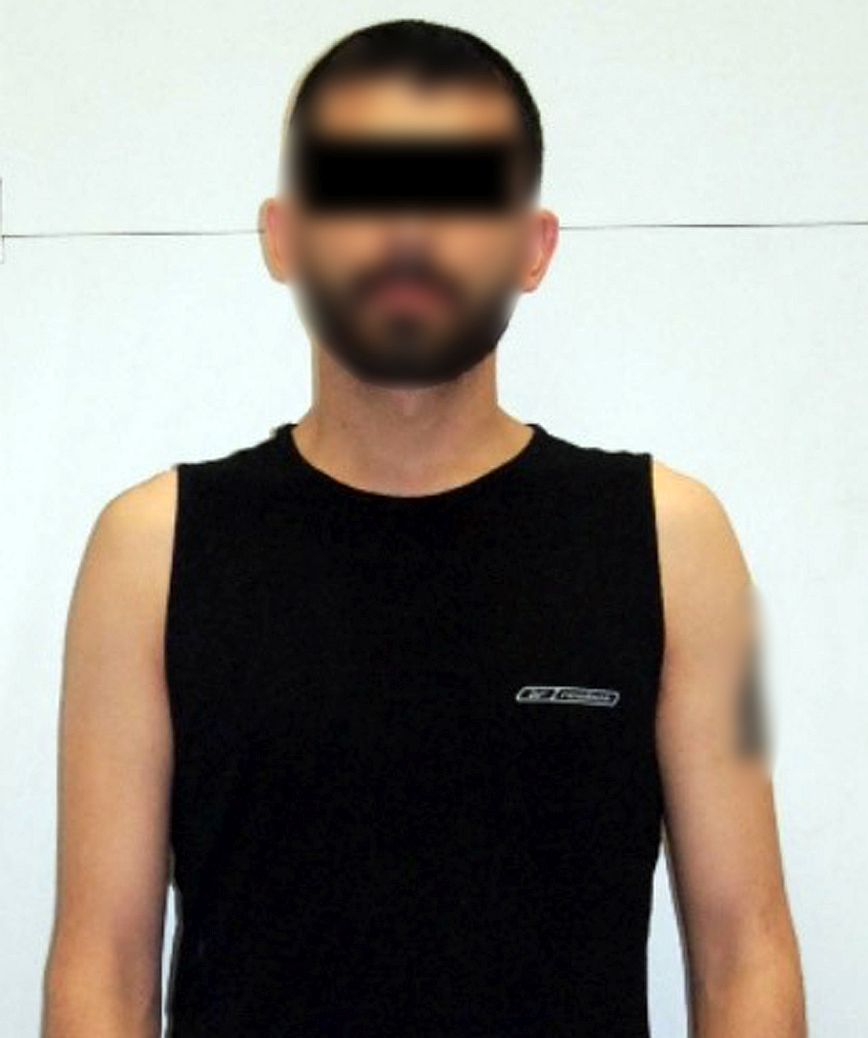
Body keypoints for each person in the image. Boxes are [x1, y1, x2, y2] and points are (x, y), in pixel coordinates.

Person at [43, 18, 806, 1037]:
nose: (408, 229)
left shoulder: (673, 540)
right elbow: (101, 968)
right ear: (286, 234)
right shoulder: (152, 550)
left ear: (532, 247)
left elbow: (747, 948)